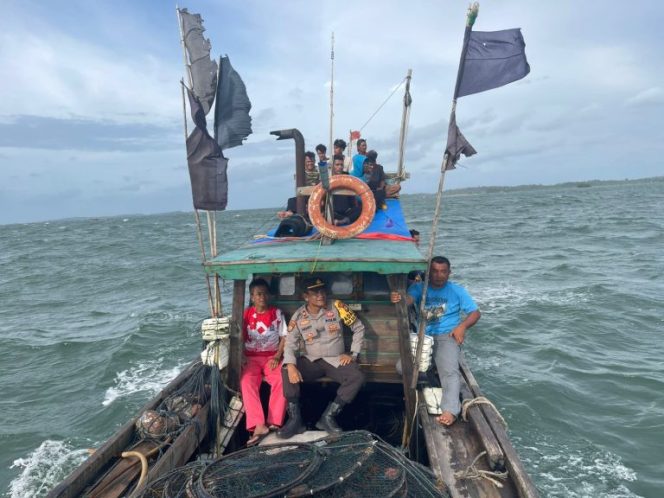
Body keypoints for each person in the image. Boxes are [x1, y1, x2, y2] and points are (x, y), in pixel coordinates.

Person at [390, 256, 480, 426]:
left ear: (449, 273)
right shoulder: (419, 288)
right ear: (428, 273)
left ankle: (451, 410)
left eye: (443, 271)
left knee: (450, 373)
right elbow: (408, 299)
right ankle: (430, 376)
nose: (439, 275)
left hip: (447, 336)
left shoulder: (457, 291)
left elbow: (475, 313)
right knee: (402, 368)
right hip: (423, 336)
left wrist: (462, 327)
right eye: (435, 271)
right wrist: (400, 299)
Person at [277, 278, 365, 438]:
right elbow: (289, 343)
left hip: (336, 359)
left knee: (356, 376)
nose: (320, 295)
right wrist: (290, 365)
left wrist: (353, 354)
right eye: (315, 293)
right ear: (306, 296)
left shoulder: (338, 307)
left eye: (322, 291)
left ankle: (328, 417)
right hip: (312, 360)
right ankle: (295, 421)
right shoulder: (298, 316)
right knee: (286, 369)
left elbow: (358, 328)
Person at [240, 278, 288, 445]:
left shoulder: (277, 313)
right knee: (247, 382)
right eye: (258, 294)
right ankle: (258, 425)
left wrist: (277, 356)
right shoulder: (245, 314)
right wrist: (242, 356)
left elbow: (284, 337)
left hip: (271, 357)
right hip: (251, 357)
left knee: (282, 379)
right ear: (252, 296)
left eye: (265, 294)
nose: (262, 297)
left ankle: (274, 422)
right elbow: (238, 337)